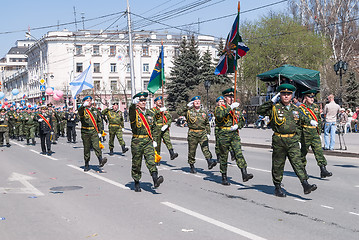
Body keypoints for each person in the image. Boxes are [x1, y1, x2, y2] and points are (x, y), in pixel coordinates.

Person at [257, 83, 317, 197]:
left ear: (291, 96)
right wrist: (271, 101)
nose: (286, 96)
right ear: (280, 95)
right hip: (279, 140)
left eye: (288, 94)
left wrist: (310, 122)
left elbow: (302, 119)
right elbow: (259, 111)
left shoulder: (296, 109)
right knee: (278, 165)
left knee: (298, 163)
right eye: (283, 94)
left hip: (292, 140)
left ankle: (305, 184)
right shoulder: (274, 108)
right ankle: (277, 187)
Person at [215, 88, 253, 185]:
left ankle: (244, 173)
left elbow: (242, 121)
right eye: (229, 96)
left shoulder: (237, 109)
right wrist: (230, 107)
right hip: (223, 134)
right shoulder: (221, 108)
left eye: (232, 96)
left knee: (238, 153)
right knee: (224, 156)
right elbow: (220, 115)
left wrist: (238, 125)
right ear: (225, 98)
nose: (231, 98)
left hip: (234, 134)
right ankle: (224, 176)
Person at [129, 92, 164, 192]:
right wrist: (132, 104)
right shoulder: (134, 113)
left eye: (144, 100)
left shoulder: (150, 113)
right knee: (137, 163)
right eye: (141, 100)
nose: (143, 102)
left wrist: (154, 139)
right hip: (137, 141)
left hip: (148, 140)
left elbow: (153, 127)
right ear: (137, 102)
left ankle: (155, 180)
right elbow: (131, 111)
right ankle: (136, 182)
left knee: (151, 161)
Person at [177, 96, 216, 174]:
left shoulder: (203, 112)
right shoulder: (188, 111)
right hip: (193, 134)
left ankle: (209, 162)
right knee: (192, 151)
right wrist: (187, 106)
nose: (198, 102)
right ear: (192, 103)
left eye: (198, 101)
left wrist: (208, 133)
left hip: (202, 133)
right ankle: (192, 166)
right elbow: (179, 112)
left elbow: (207, 124)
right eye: (195, 101)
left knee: (205, 148)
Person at [298, 90, 332, 178]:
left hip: (315, 133)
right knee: (303, 153)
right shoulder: (301, 108)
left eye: (313, 97)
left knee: (319, 151)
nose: (312, 99)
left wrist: (319, 132)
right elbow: (299, 121)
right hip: (305, 133)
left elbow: (319, 120)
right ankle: (302, 170)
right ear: (305, 97)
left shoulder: (315, 107)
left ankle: (323, 169)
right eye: (310, 97)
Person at [78, 96, 107, 172]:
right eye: (87, 101)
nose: (89, 102)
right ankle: (86, 164)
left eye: (90, 100)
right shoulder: (83, 110)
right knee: (87, 148)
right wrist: (82, 106)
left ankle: (100, 160)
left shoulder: (95, 110)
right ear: (84, 102)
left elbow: (99, 121)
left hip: (94, 131)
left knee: (96, 146)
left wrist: (100, 132)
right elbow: (80, 112)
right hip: (85, 131)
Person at [148, 96, 178, 161]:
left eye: (161, 100)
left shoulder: (165, 110)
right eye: (158, 101)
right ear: (155, 102)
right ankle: (157, 158)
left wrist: (167, 125)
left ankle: (172, 153)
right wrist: (159, 110)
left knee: (167, 140)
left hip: (164, 128)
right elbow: (151, 116)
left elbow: (169, 118)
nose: (160, 102)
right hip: (156, 129)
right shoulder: (153, 110)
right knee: (157, 144)